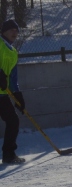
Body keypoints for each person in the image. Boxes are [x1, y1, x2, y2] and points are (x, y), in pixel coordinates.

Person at [0, 19, 24, 164]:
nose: (14, 32)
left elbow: (13, 77)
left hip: (2, 94)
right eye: (11, 29)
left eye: (16, 30)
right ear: (3, 31)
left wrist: (18, 95)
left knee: (13, 121)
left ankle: (9, 155)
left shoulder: (13, 52)